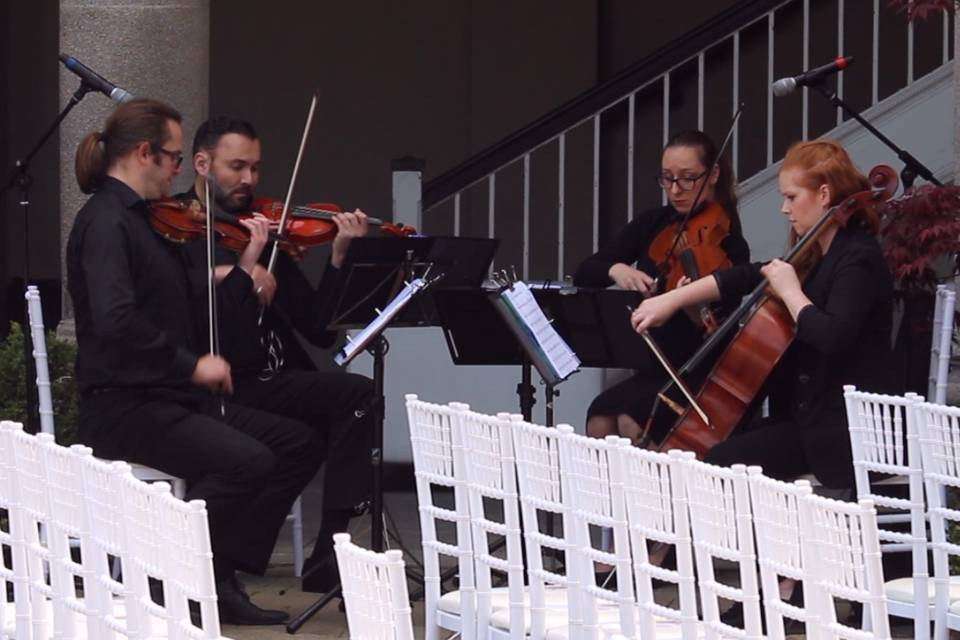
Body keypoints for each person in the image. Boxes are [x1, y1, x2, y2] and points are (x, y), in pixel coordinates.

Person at [66, 98, 325, 625]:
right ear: (145, 154)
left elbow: (182, 299)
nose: (180, 170)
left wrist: (241, 270)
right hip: (126, 406)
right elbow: (117, 319)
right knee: (246, 462)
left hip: (171, 398)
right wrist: (190, 364)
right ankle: (165, 576)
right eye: (174, 158)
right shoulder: (107, 221)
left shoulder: (149, 223)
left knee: (296, 442)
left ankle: (218, 571)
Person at [178, 117, 375, 594]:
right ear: (202, 165)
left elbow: (318, 329)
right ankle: (289, 556)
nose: (248, 180)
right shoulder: (182, 234)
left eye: (255, 168)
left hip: (275, 379)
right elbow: (202, 323)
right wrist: (243, 271)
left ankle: (327, 547)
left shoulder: (264, 233)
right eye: (236, 167)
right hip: (227, 381)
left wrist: (339, 257)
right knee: (350, 398)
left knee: (351, 400)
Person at [630, 139, 897, 488]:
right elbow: (745, 275)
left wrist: (790, 292)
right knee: (722, 452)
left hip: (845, 431)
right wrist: (673, 300)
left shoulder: (858, 257)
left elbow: (833, 336)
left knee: (721, 463)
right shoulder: (814, 254)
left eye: (791, 197)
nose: (785, 209)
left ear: (825, 195)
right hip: (808, 419)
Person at [573, 129, 750, 447]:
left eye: (687, 178)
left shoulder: (728, 241)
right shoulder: (652, 223)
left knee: (631, 419)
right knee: (599, 419)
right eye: (667, 179)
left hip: (700, 371)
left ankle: (661, 493)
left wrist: (690, 304)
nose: (675, 190)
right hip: (655, 365)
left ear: (713, 175)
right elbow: (584, 273)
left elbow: (720, 323)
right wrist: (617, 268)